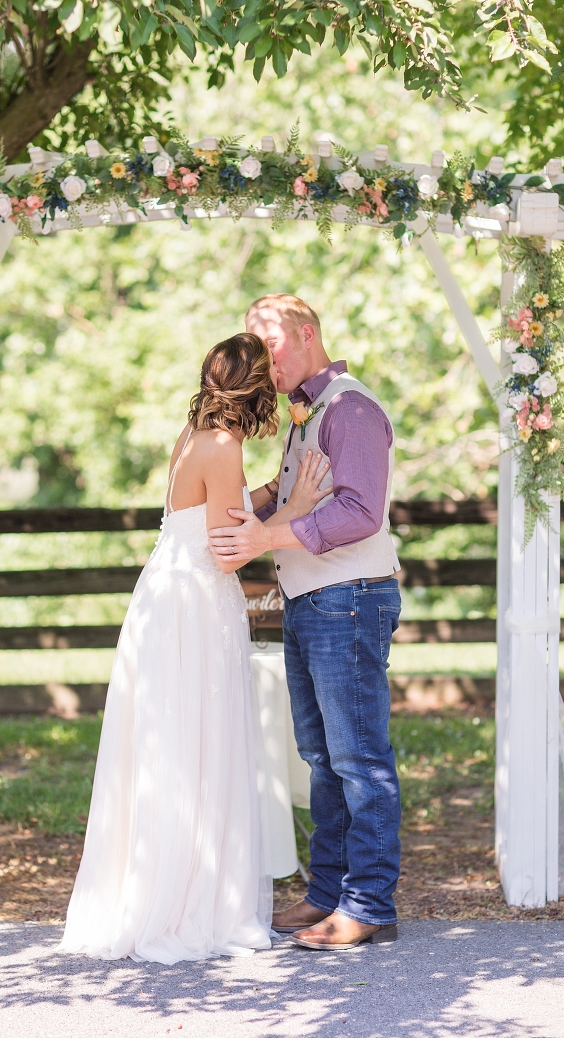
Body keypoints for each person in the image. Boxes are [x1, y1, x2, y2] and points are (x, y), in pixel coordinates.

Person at [59, 332, 330, 964]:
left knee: (170, 742)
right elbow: (225, 546)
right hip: (194, 605)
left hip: (163, 595)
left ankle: (163, 885)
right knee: (196, 742)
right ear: (257, 386)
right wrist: (298, 503)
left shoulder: (194, 437)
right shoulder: (225, 444)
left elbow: (218, 509)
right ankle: (187, 904)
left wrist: (268, 493)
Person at [209, 294, 402, 951]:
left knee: (358, 758)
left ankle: (369, 902)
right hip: (312, 599)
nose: (262, 360)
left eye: (272, 344)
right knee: (322, 758)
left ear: (309, 333)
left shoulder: (350, 409)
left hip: (347, 598)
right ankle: (326, 893)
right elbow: (290, 489)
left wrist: (264, 535)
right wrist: (234, 502)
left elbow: (356, 513)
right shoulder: (307, 413)